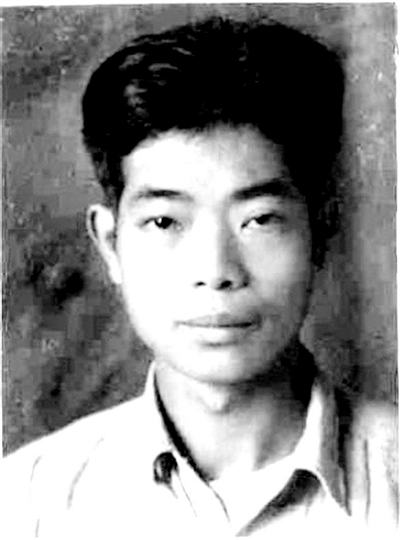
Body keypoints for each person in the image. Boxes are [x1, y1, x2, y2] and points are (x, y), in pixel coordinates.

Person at [2, 16, 397, 539]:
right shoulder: (23, 502)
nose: (216, 273)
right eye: (165, 222)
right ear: (110, 244)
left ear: (320, 231)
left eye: (259, 220)